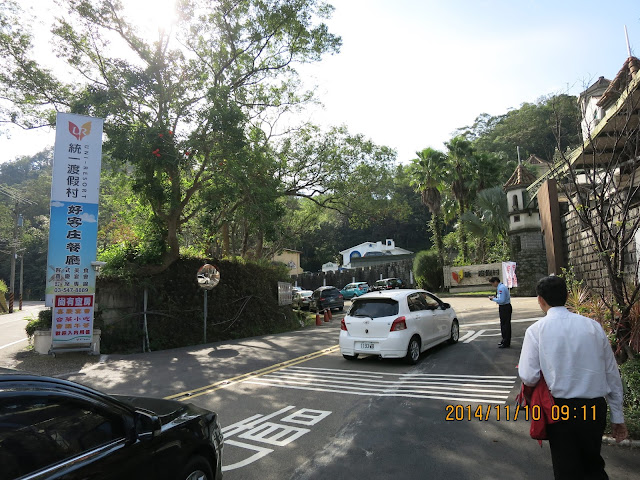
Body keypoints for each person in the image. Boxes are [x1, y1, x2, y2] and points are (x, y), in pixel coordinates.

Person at [518, 275, 628, 480]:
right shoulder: (593, 327)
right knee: (593, 466)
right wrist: (617, 415)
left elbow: (528, 376)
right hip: (594, 408)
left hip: (560, 410)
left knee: (566, 469)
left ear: (540, 300)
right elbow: (611, 373)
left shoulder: (536, 331)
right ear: (567, 296)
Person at [488, 276, 511, 348]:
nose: (493, 285)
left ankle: (506, 342)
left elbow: (502, 300)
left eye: (492, 283)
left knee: (505, 325)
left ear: (495, 282)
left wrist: (493, 299)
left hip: (505, 307)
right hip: (504, 307)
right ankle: (504, 340)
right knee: (503, 324)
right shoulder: (501, 287)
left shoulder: (501, 288)